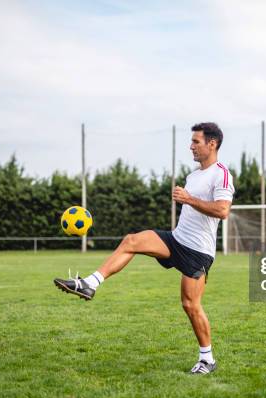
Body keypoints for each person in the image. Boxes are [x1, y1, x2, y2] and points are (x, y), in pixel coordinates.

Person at [53, 122, 235, 375]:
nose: (191, 146)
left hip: (198, 252)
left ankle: (207, 359)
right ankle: (90, 284)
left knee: (190, 305)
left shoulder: (221, 174)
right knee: (131, 240)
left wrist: (188, 199)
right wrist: (188, 199)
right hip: (176, 240)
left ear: (212, 144)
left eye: (196, 141)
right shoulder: (193, 175)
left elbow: (223, 210)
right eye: (191, 141)